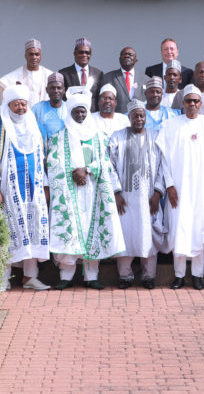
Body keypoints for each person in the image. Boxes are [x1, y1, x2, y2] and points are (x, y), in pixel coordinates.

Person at [47, 88, 126, 290]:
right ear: (70, 112)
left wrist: (87, 170)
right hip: (69, 191)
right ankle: (66, 276)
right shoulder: (59, 137)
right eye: (76, 112)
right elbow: (53, 163)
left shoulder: (98, 137)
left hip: (93, 192)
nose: (80, 115)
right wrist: (73, 173)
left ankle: (91, 276)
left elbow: (106, 164)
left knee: (93, 229)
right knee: (71, 229)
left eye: (83, 111)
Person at [0, 84, 50, 290]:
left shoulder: (37, 128)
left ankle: (30, 277)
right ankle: (3, 278)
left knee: (33, 230)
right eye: (16, 104)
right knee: (7, 232)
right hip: (9, 191)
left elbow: (43, 161)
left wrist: (45, 187)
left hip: (34, 190)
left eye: (23, 104)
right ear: (7, 105)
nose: (20, 108)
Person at [156, 85, 204, 290]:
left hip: (203, 188)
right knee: (179, 229)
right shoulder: (170, 126)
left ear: (201, 103)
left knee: (200, 230)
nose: (192, 104)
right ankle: (179, 275)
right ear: (182, 103)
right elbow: (164, 160)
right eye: (188, 101)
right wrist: (169, 185)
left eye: (196, 101)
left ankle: (197, 275)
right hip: (179, 188)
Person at [110, 100, 166, 289]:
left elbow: (162, 168)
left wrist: (158, 193)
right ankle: (125, 276)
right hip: (124, 200)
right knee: (125, 235)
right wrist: (116, 192)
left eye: (142, 115)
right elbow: (109, 166)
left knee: (148, 235)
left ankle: (149, 276)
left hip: (148, 198)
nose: (139, 119)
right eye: (135, 115)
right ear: (129, 117)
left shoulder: (155, 137)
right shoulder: (117, 137)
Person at [0, 38, 52, 107]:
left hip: (44, 115)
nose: (34, 57)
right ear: (25, 56)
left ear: (41, 56)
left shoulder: (49, 74)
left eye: (37, 54)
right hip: (23, 115)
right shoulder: (16, 75)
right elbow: (3, 82)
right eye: (31, 54)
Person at [96, 46, 150, 114]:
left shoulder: (146, 79)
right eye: (124, 54)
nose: (127, 56)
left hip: (138, 119)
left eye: (130, 55)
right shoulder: (108, 77)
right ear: (119, 59)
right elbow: (101, 101)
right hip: (116, 119)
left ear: (136, 60)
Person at [58, 38, 105, 111]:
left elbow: (99, 98)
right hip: (71, 115)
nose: (84, 55)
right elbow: (61, 98)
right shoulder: (63, 73)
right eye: (81, 52)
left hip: (92, 116)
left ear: (91, 55)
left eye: (87, 53)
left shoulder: (98, 74)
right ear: (74, 53)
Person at [31, 72, 67, 151]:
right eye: (52, 88)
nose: (56, 91)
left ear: (64, 90)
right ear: (47, 90)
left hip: (65, 153)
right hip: (42, 152)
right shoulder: (37, 109)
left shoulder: (70, 108)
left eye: (59, 88)